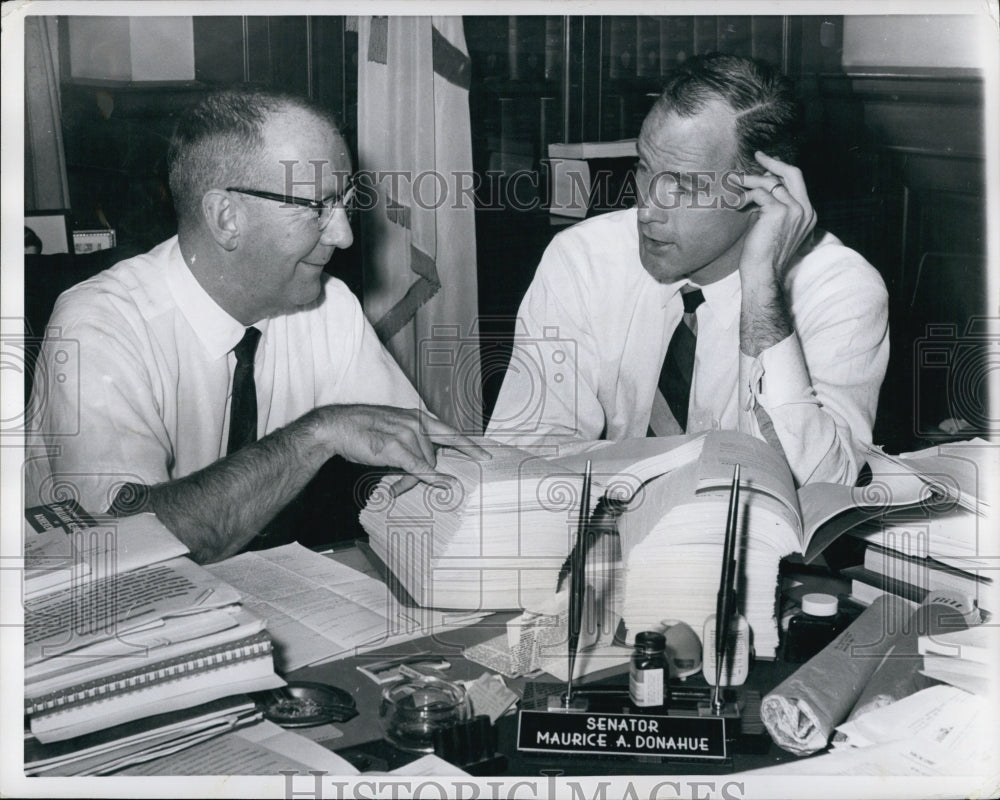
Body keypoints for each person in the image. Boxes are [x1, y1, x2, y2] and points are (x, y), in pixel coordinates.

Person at [25, 86, 483, 563]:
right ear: (226, 217)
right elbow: (122, 545)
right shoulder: (100, 326)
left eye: (345, 202)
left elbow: (417, 456)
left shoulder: (330, 306)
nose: (344, 235)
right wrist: (316, 434)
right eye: (317, 206)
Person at [486, 54, 889, 487]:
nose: (647, 210)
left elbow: (814, 486)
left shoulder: (841, 290)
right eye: (644, 168)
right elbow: (523, 453)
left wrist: (760, 287)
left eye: (685, 185)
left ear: (763, 193)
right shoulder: (584, 258)